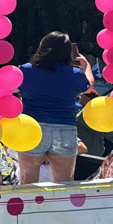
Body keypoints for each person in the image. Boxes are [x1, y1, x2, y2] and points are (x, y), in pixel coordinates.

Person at [17, 31, 94, 184]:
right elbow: (89, 87)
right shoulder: (75, 74)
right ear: (67, 52)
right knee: (65, 184)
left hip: (33, 129)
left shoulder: (25, 70)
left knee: (27, 182)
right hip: (65, 129)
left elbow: (7, 87)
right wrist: (86, 65)